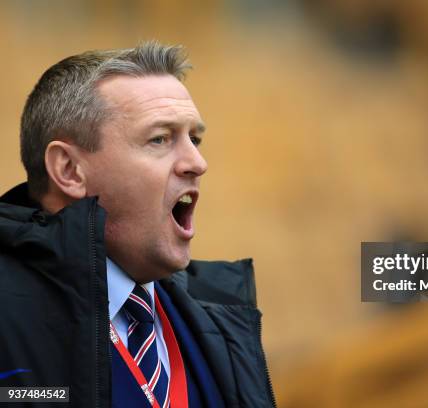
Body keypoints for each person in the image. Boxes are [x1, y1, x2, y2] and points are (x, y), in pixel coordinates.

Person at [0, 42, 275, 407]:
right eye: (160, 138)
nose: (197, 162)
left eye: (194, 139)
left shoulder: (223, 319)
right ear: (69, 170)